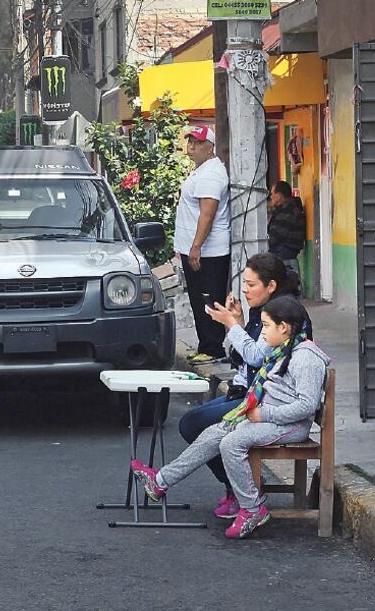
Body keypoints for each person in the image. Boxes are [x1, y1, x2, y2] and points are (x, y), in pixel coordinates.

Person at [132, 296, 330, 539]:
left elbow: (307, 406)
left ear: (284, 328)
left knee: (231, 443)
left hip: (289, 425)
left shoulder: (306, 357)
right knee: (214, 432)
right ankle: (160, 482)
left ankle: (252, 508)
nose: (263, 332)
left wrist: (264, 413)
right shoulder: (285, 349)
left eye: (267, 326)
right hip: (270, 418)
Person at [178, 253, 313, 519]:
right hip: (250, 391)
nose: (244, 289)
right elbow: (243, 358)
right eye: (245, 283)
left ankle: (240, 490)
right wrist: (239, 323)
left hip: (269, 399)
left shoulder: (283, 313)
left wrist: (230, 325)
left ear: (271, 286)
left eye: (251, 285)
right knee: (192, 422)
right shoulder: (262, 309)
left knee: (194, 424)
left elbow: (256, 356)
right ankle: (237, 487)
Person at [174, 124, 231, 363]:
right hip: (196, 250)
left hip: (208, 252)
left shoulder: (211, 174)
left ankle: (214, 348)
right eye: (189, 142)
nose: (191, 147)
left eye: (196, 143)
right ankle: (205, 345)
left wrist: (196, 247)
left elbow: (207, 214)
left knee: (209, 299)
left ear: (210, 147)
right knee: (199, 299)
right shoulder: (201, 171)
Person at [267, 180, 306, 274]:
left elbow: (276, 235)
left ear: (279, 195)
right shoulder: (289, 208)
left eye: (272, 194)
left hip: (285, 251)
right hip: (287, 250)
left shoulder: (287, 210)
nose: (271, 197)